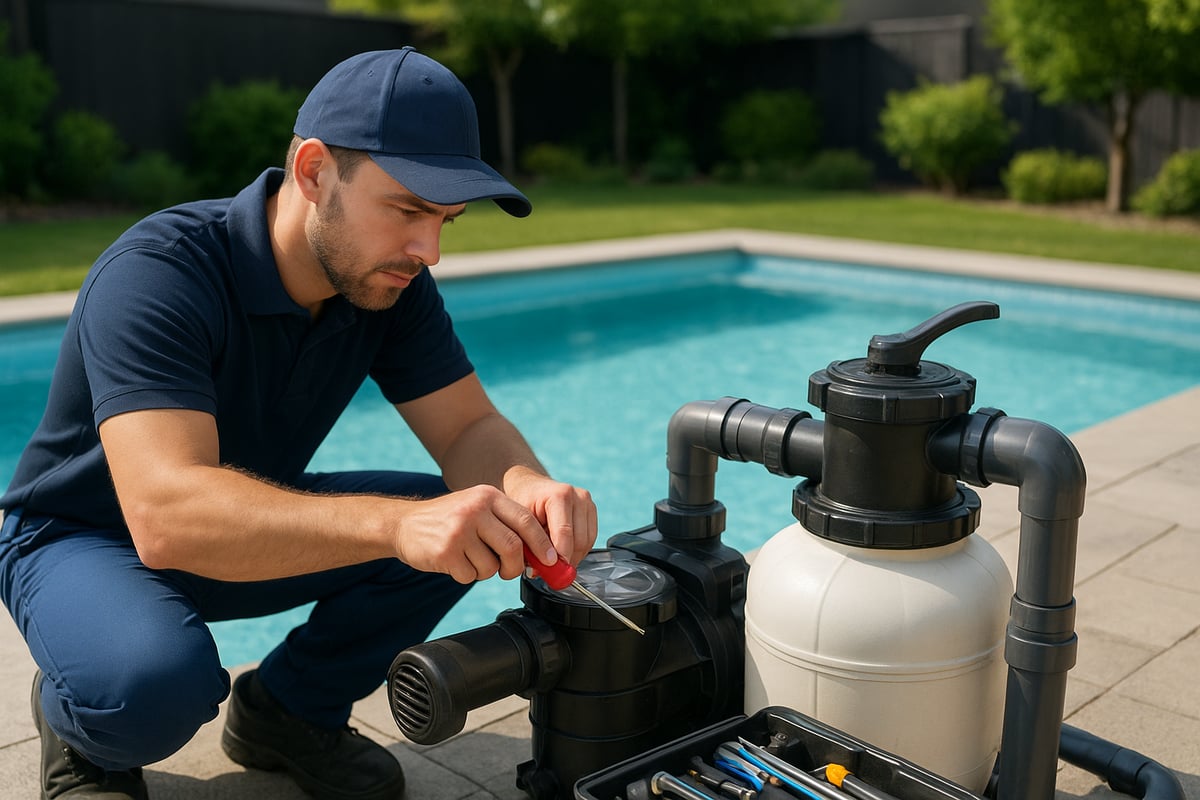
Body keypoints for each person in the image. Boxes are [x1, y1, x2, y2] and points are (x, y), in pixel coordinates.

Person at [0, 47, 597, 800]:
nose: (430, 250)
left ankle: (288, 709)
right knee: (151, 685)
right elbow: (165, 517)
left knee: (464, 524)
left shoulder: (388, 284)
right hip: (81, 537)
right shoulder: (159, 273)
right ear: (314, 170)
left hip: (239, 528)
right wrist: (392, 527)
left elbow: (466, 427)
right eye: (409, 210)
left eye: (447, 219)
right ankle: (80, 730)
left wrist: (527, 486)